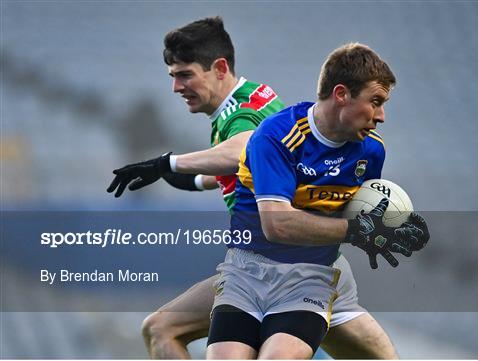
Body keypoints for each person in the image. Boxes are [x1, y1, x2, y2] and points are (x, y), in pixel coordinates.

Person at [107, 18, 402, 359]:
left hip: (298, 270)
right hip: (262, 269)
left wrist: (169, 164)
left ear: (219, 68)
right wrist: (194, 180)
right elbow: (253, 169)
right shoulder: (253, 98)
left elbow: (245, 147)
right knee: (160, 327)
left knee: (163, 329)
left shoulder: (242, 117)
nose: (176, 86)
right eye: (173, 76)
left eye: (185, 74)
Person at [205, 43, 430, 359]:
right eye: (375, 102)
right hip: (247, 273)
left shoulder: (371, 152)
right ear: (341, 94)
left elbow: (357, 219)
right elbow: (277, 225)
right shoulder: (277, 135)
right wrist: (356, 231)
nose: (381, 116)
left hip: (310, 278)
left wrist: (383, 230)